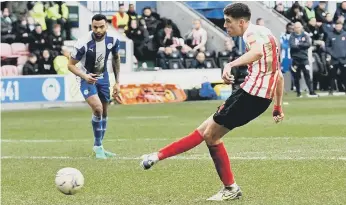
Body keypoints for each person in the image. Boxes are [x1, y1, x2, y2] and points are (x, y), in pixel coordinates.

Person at [140, 3, 285, 201]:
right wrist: (277, 106)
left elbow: (258, 53)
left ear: (241, 22)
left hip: (251, 97)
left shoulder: (251, 35)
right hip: (253, 95)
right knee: (204, 130)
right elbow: (278, 74)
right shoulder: (267, 34)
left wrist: (230, 64)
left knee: (210, 136)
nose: (225, 26)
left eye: (228, 21)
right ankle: (156, 156)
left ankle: (230, 188)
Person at [68, 14, 120, 159]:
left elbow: (116, 59)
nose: (98, 30)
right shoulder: (83, 42)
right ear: (91, 26)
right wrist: (85, 76)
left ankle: (100, 147)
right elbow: (70, 65)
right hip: (86, 77)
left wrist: (118, 82)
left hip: (103, 77)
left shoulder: (113, 40)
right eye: (95, 27)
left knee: (104, 112)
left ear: (106, 26)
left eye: (101, 27)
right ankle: (98, 146)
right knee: (97, 108)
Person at [289, 22, 318, 97]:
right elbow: (292, 46)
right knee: (296, 76)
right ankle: (298, 92)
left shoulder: (305, 35)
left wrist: (298, 44)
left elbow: (308, 44)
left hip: (304, 59)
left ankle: (311, 91)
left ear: (301, 27)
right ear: (294, 28)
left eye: (299, 27)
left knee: (307, 75)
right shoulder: (292, 36)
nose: (297, 29)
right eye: (296, 27)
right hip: (295, 59)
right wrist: (302, 45)